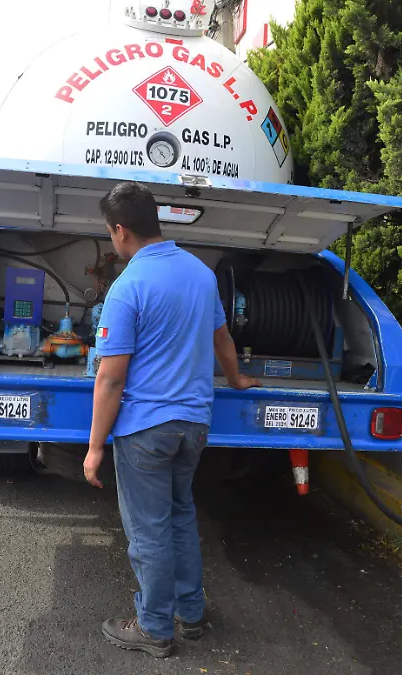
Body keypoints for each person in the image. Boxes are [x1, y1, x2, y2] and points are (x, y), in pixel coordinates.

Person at [83, 182, 260, 658]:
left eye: (110, 231)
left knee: (149, 531)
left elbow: (110, 378)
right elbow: (222, 338)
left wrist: (95, 447)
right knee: (180, 516)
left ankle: (154, 628)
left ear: (121, 231)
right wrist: (235, 378)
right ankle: (191, 613)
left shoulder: (128, 286)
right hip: (193, 425)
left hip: (146, 429)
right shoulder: (201, 274)